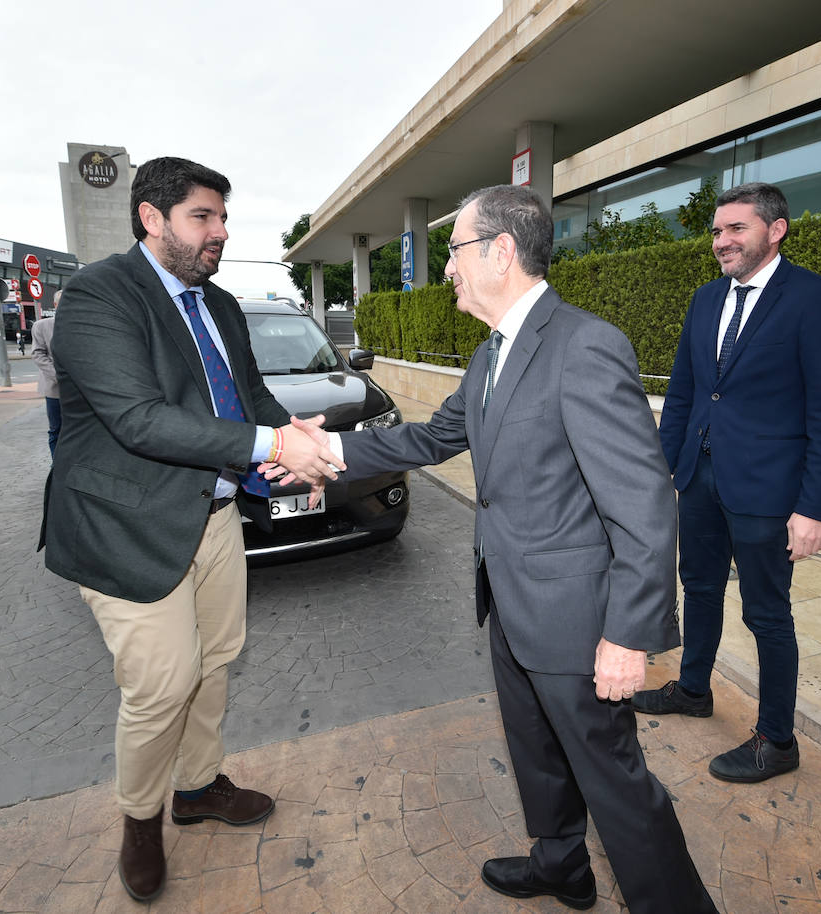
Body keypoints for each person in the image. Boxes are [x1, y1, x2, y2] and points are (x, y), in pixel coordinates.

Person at [270, 184, 717, 913]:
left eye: (454, 251)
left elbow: (644, 505)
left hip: (577, 622)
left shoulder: (585, 346)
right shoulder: (492, 355)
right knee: (538, 755)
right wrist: (326, 448)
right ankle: (562, 864)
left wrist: (629, 635)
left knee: (617, 786)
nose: (445, 269)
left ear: (500, 252)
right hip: (510, 602)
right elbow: (428, 439)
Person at [39, 156, 344, 902]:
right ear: (152, 217)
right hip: (124, 527)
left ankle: (197, 786)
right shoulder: (99, 296)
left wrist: (298, 436)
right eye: (203, 217)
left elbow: (249, 400)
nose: (220, 232)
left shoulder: (223, 305)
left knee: (214, 661)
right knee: (163, 682)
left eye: (223, 217)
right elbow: (139, 418)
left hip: (212, 519)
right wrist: (274, 447)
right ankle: (140, 820)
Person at [632, 182, 821, 784]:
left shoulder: (816, 301)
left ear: (775, 229)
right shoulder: (707, 299)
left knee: (767, 615)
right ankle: (693, 688)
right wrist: (665, 469)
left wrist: (816, 507)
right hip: (700, 478)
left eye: (735, 229)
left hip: (768, 491)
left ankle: (777, 740)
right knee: (699, 586)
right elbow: (684, 391)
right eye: (716, 231)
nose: (721, 241)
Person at [30, 291, 61, 455]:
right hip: (55, 388)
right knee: (56, 429)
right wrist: (58, 376)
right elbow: (38, 354)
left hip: (80, 389)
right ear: (55, 305)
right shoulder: (42, 326)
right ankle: (57, 468)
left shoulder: (81, 324)